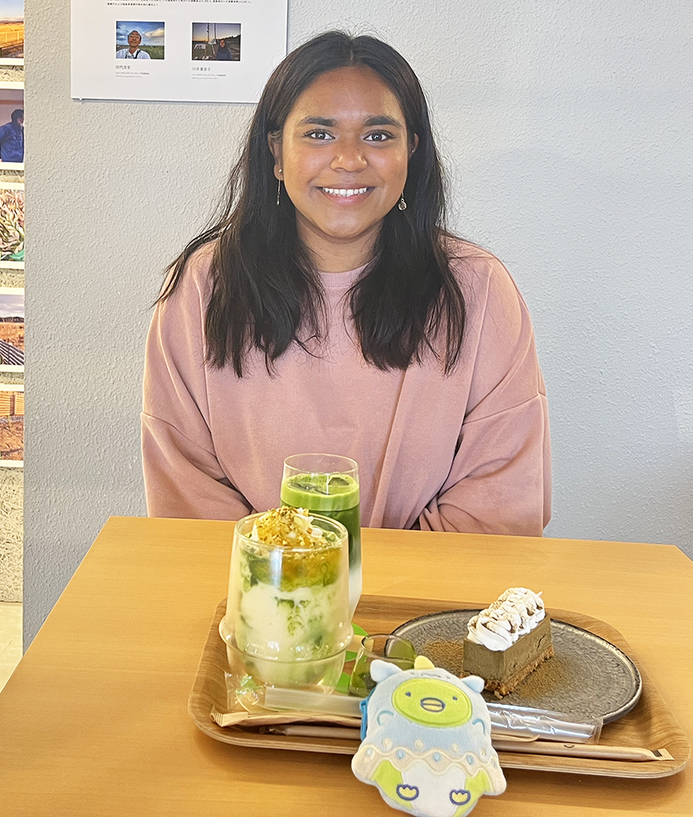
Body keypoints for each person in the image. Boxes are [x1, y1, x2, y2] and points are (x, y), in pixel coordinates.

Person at [141, 31, 550, 535]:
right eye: (319, 134)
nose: (349, 159)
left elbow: (499, 505)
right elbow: (187, 494)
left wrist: (371, 590)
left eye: (378, 135)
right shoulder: (203, 288)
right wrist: (292, 585)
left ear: (411, 152)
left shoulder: (477, 291)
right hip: (249, 599)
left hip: (427, 603)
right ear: (275, 151)